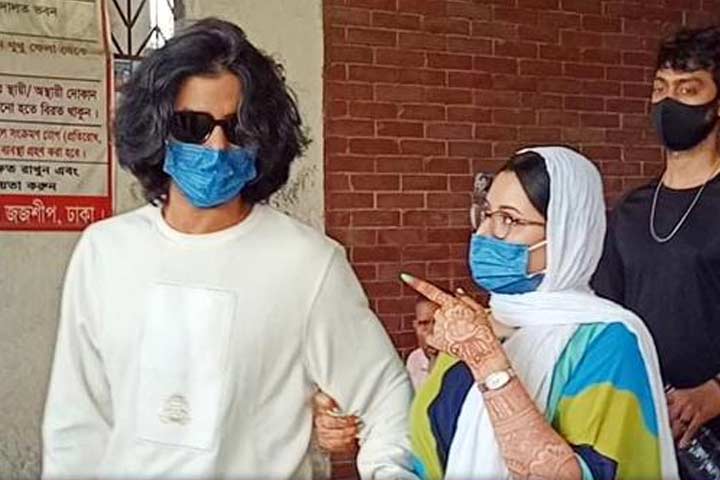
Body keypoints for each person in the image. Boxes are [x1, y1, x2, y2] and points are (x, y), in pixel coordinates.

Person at [41, 18, 416, 480]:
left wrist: (388, 469)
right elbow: (76, 421)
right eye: (192, 125)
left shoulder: (306, 264)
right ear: (157, 130)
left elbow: (385, 397)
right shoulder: (106, 252)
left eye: (236, 127)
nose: (216, 145)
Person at [403, 147, 678, 480]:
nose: (484, 234)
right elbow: (422, 451)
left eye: (509, 219)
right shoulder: (472, 328)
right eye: (486, 214)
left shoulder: (608, 342)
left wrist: (488, 364)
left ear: (566, 235)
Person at [592, 26, 720, 453]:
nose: (669, 101)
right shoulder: (631, 209)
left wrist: (715, 392)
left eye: (688, 89)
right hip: (646, 420)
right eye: (660, 88)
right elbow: (606, 313)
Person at [406, 298, 440, 391]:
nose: (432, 330)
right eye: (424, 323)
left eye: (437, 322)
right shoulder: (414, 360)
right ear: (415, 326)